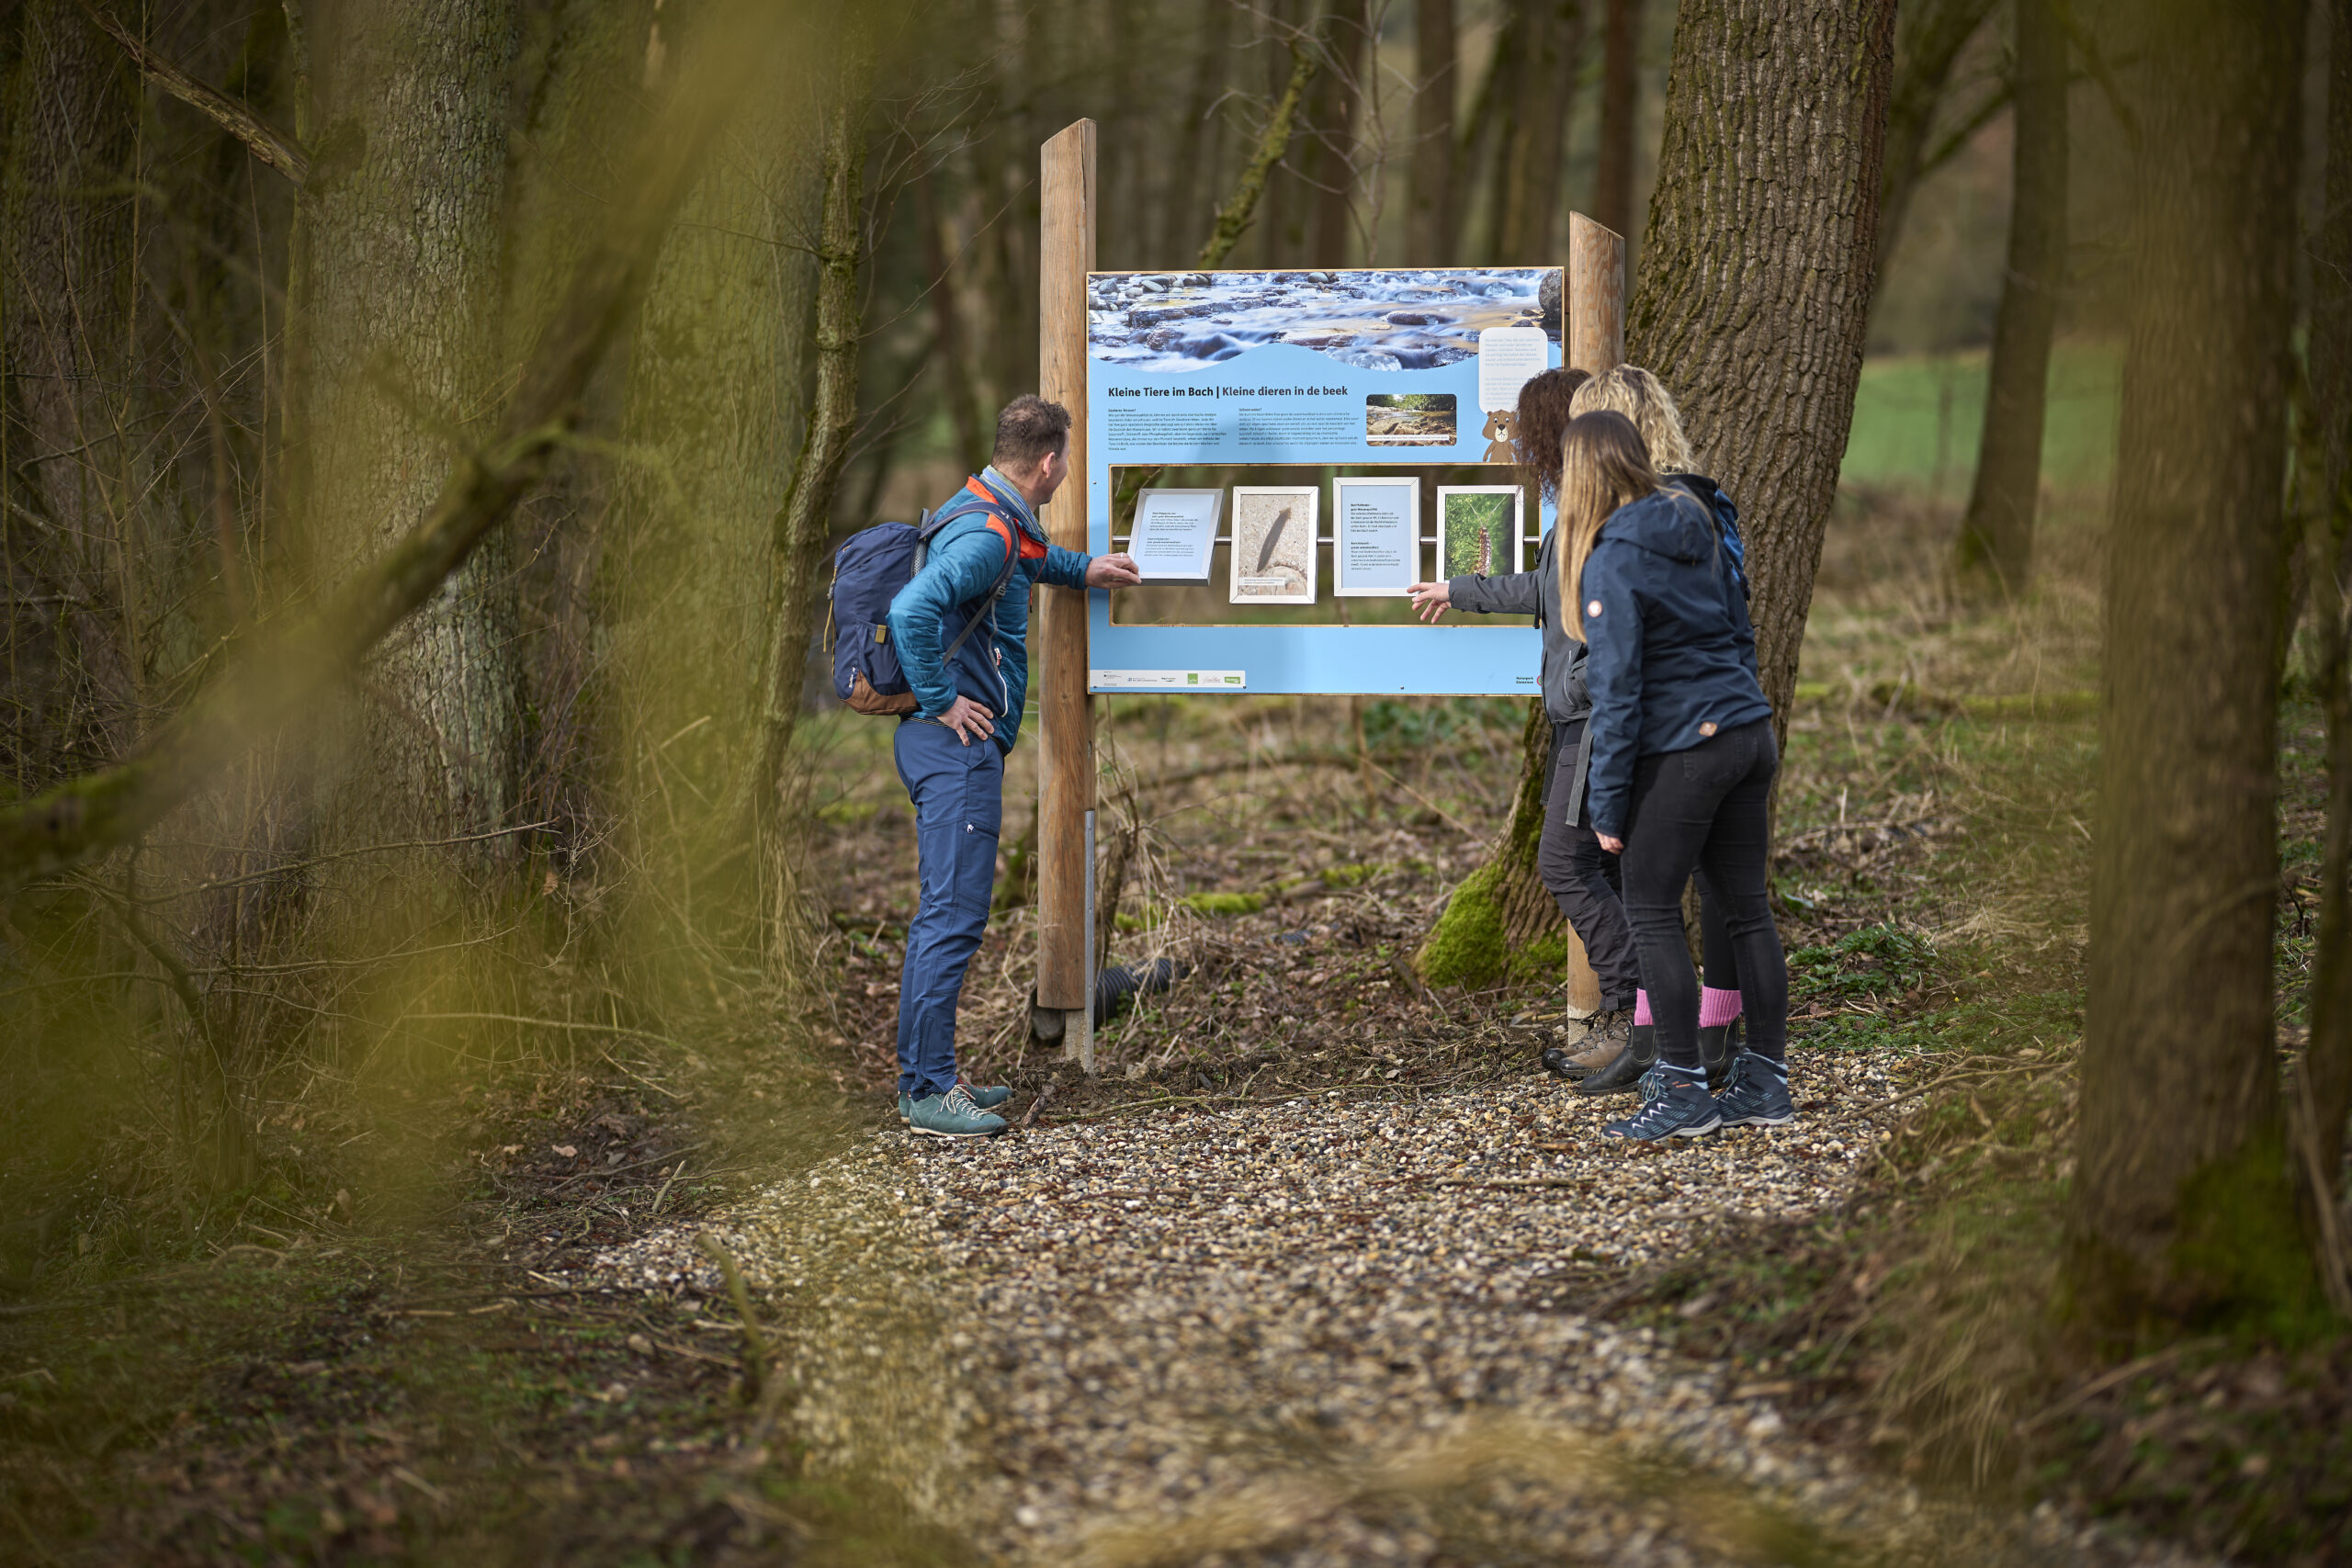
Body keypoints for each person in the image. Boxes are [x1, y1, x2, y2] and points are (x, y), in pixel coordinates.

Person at [887, 397, 1141, 1138]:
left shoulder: (987, 511)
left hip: (944, 750)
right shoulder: (990, 536)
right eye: (1065, 465)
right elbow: (911, 611)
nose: (1065, 477)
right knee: (953, 920)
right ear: (1051, 463)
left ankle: (929, 1076)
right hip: (955, 752)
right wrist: (941, 699)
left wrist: (1084, 567)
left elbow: (1031, 561)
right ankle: (929, 1092)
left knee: (945, 915)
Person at [1407, 367, 1651, 1074]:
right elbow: (1545, 588)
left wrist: (1574, 689)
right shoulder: (1581, 505)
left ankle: (1637, 1014)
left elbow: (1607, 632)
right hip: (1588, 718)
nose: (1521, 443)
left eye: (1527, 428)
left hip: (1596, 721)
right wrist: (1459, 589)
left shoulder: (1599, 511)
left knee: (1566, 862)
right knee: (1608, 869)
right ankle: (1639, 1016)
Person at [1560, 411, 1792, 1142]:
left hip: (1689, 747)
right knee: (1747, 909)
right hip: (1748, 731)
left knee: (1652, 906)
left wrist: (1607, 805)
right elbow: (1739, 628)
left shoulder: (1611, 557)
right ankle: (1765, 1081)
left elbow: (1619, 691)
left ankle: (1685, 1088)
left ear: (1584, 474)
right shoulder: (1697, 519)